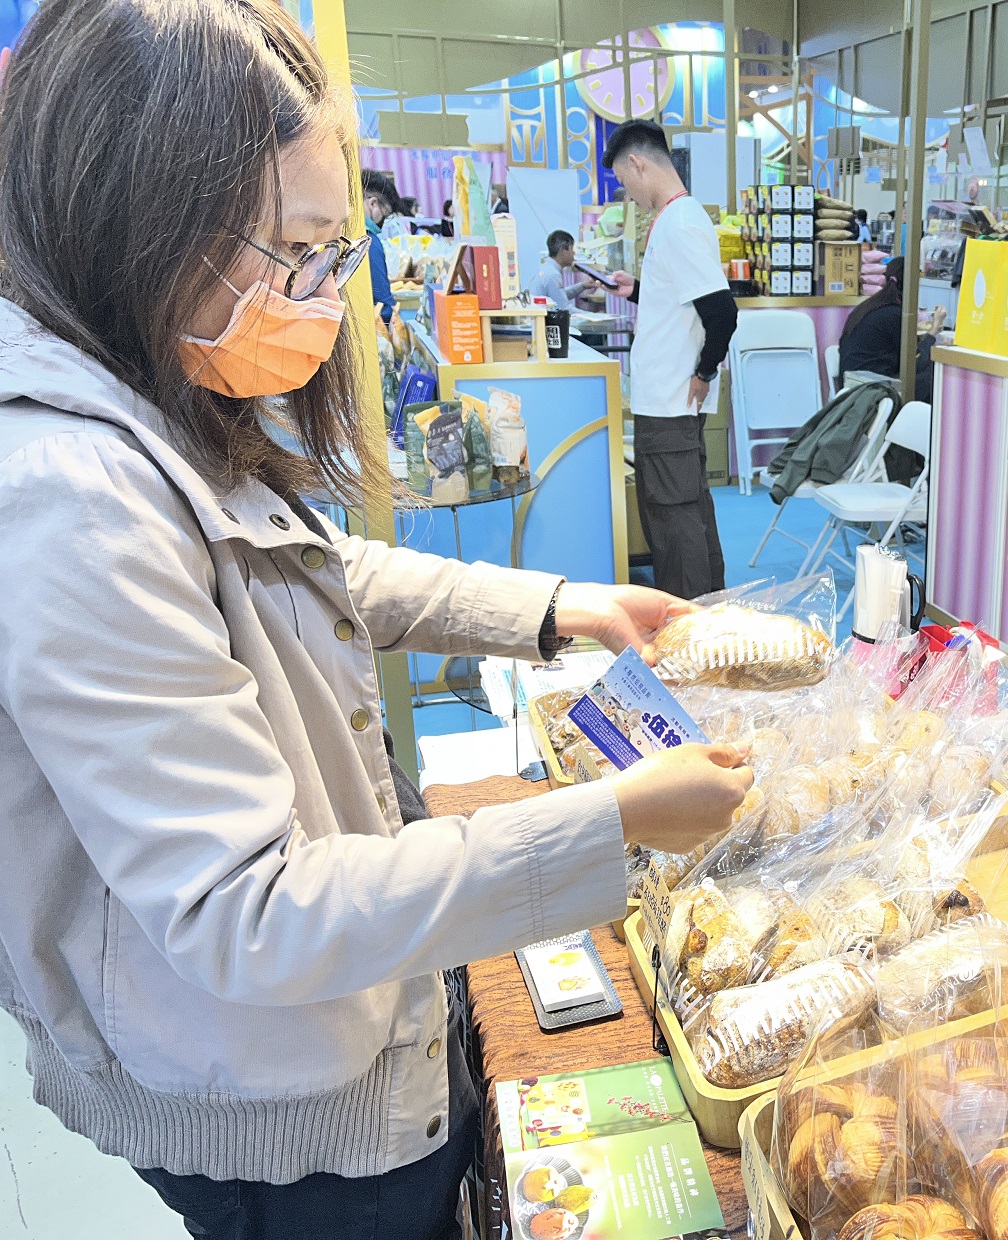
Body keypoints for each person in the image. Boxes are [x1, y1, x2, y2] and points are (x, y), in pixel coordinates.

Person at [0, 4, 753, 1237]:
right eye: (297, 252)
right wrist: (612, 821)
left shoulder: (142, 386)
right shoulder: (68, 497)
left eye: (334, 252)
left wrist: (564, 605)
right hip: (274, 1106)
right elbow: (251, 911)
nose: (319, 295)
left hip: (339, 1024)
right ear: (146, 225)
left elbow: (309, 565)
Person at [602, 119, 739, 599]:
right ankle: (706, 611)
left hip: (671, 400)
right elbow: (684, 301)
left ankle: (687, 620)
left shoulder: (679, 223)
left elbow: (721, 313)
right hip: (667, 399)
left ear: (638, 163)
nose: (629, 194)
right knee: (687, 512)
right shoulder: (677, 218)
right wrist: (637, 291)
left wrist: (705, 371)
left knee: (673, 519)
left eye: (624, 181)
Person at [837, 256, 938, 403]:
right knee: (933, 373)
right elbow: (913, 363)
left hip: (849, 386)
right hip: (871, 392)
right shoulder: (895, 314)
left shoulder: (868, 307)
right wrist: (933, 331)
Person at [529, 228, 597, 309]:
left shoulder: (546, 268)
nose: (574, 253)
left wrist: (583, 286)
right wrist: (598, 316)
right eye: (572, 249)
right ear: (563, 251)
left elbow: (560, 295)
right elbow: (565, 308)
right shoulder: (553, 275)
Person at [361, 169, 396, 323]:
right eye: (384, 215)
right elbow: (384, 306)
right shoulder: (369, 241)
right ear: (373, 203)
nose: (382, 222)